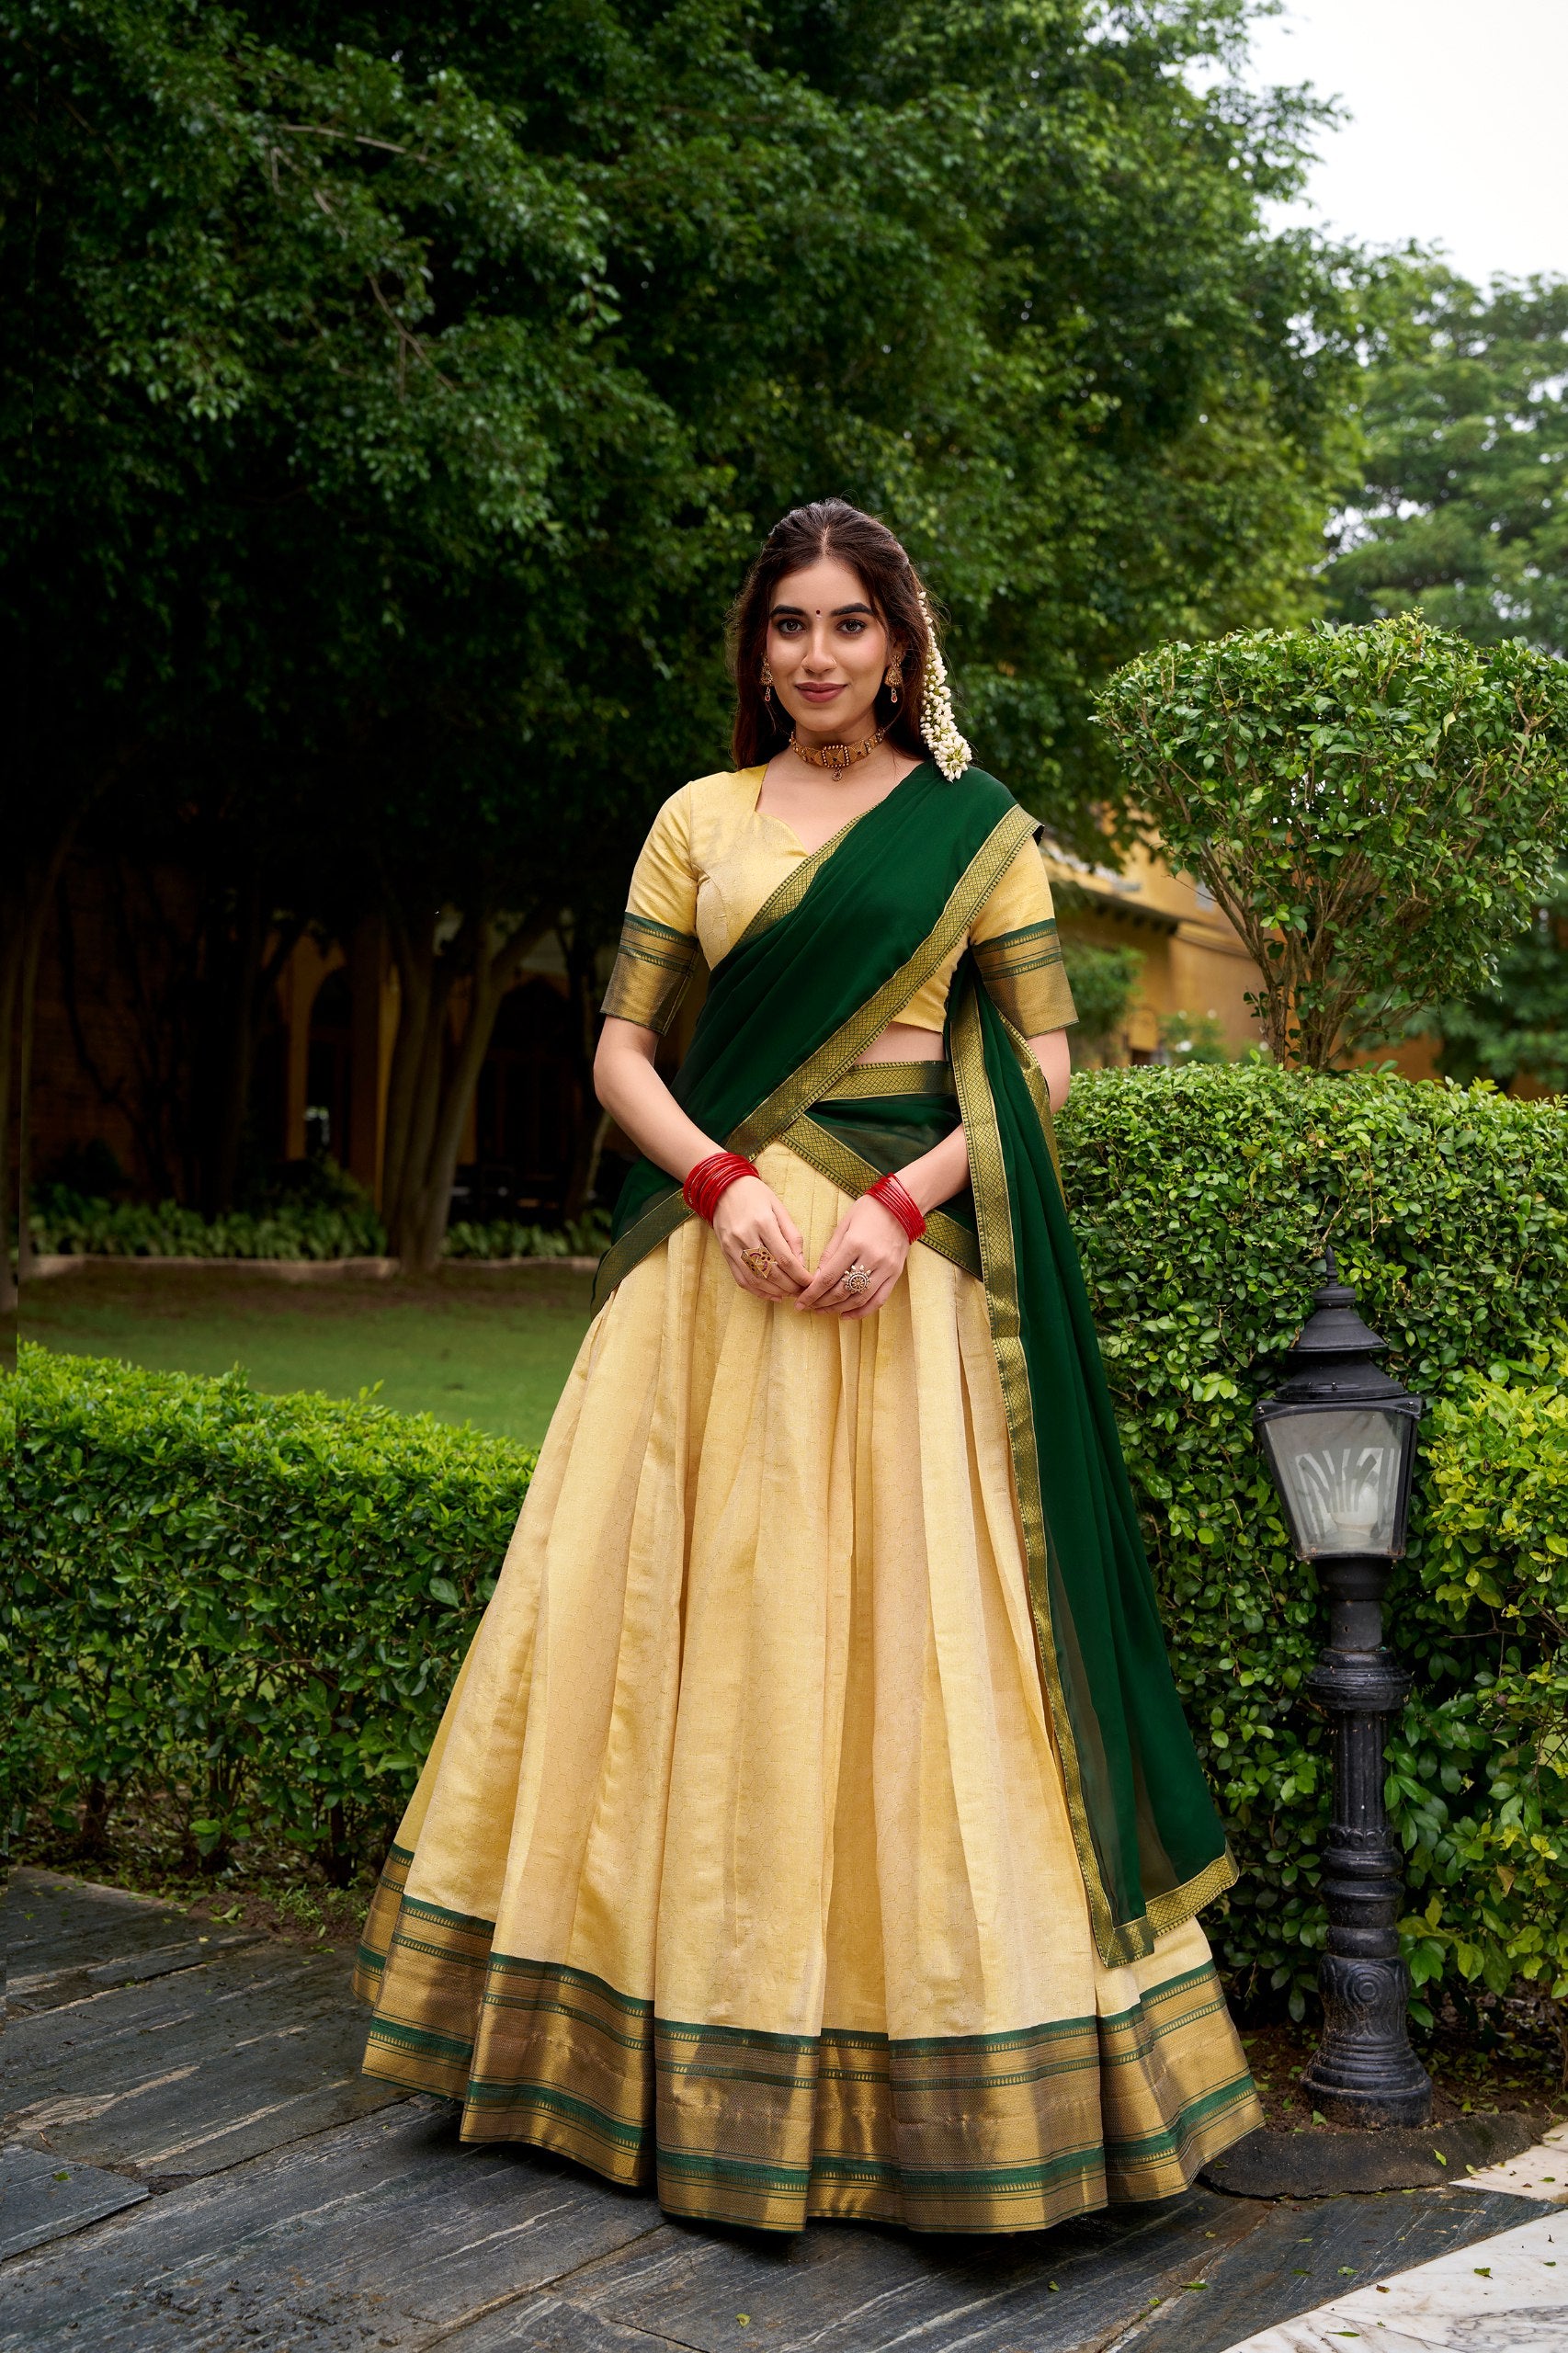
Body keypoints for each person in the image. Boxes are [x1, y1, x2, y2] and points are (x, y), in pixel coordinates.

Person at [355, 498, 1263, 2234]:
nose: (818, 656)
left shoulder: (976, 831)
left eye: (849, 624)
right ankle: (621, 2058)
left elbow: (1045, 1066)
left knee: (919, 1645)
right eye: (788, 626)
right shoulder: (697, 819)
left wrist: (909, 1206)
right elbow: (621, 1051)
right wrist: (709, 1181)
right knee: (676, 1634)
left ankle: (932, 2079)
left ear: (901, 642)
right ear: (755, 647)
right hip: (713, 1274)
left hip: (891, 1273)